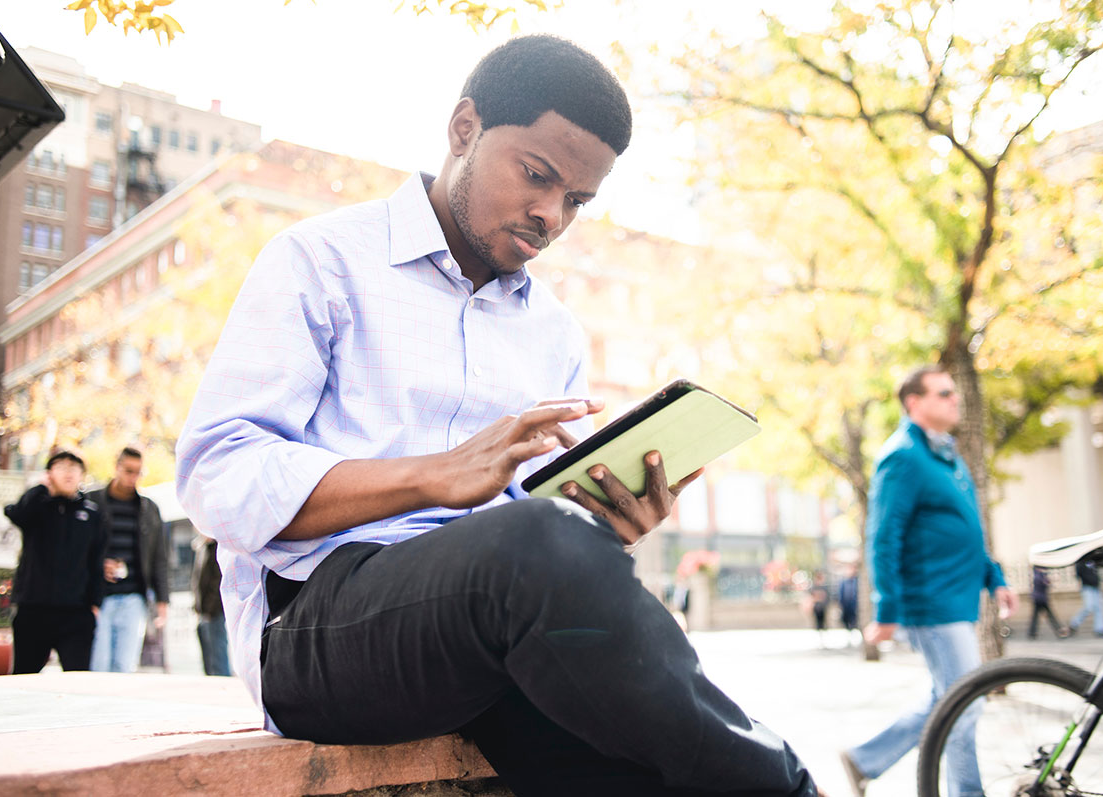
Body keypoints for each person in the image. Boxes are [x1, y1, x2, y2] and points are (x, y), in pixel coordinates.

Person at [176, 35, 819, 797]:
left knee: (632, 766)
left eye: (578, 200)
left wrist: (603, 524)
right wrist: (432, 478)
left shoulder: (554, 333)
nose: (551, 214)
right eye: (538, 176)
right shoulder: (320, 260)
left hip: (489, 636)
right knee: (537, 548)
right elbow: (217, 476)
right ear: (463, 130)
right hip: (312, 630)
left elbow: (528, 531)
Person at [839, 366, 1017, 797]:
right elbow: (883, 536)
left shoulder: (947, 455)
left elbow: (969, 527)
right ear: (914, 402)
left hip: (957, 600)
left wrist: (994, 577)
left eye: (954, 393)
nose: (956, 400)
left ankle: (866, 759)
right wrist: (886, 610)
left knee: (946, 698)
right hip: (931, 603)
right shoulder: (902, 456)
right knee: (964, 704)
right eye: (944, 393)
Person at [4, 450, 104, 673]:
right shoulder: (37, 506)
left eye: (73, 467)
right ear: (49, 473)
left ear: (82, 474)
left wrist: (95, 603)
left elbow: (96, 560)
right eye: (61, 467)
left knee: (77, 677)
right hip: (34, 609)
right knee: (24, 676)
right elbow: (17, 514)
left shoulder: (91, 514)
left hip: (76, 612)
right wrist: (41, 488)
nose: (68, 472)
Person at [89, 447, 169, 673]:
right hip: (98, 599)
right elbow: (79, 551)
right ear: (117, 468)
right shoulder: (92, 501)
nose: (133, 477)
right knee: (98, 665)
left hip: (134, 598)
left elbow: (159, 557)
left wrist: (163, 601)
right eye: (128, 470)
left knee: (124, 668)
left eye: (138, 472)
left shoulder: (148, 508)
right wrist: (99, 566)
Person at [191, 532, 231, 676]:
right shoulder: (202, 548)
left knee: (218, 659)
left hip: (214, 613)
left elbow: (218, 582)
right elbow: (197, 580)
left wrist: (209, 608)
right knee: (208, 661)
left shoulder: (219, 548)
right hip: (202, 613)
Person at [1068, 559, 1103, 637]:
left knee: (1099, 608)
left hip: (1096, 586)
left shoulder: (1093, 560)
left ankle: (1100, 629)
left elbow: (1101, 565)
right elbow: (1078, 574)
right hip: (1087, 587)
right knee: (1088, 607)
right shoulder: (1081, 562)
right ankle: (1074, 624)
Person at [1028, 565, 1068, 639]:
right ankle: (1059, 630)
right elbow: (1044, 583)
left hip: (1039, 598)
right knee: (1050, 615)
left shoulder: (1038, 574)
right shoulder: (1039, 575)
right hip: (1041, 599)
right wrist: (1048, 582)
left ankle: (1032, 633)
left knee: (1036, 617)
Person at [837, 563, 859, 638]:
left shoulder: (857, 581)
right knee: (846, 620)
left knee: (854, 620)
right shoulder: (843, 582)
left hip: (854, 605)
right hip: (845, 605)